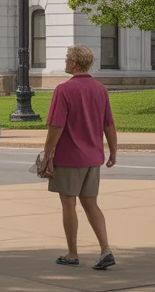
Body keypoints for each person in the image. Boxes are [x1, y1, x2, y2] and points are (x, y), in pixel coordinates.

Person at [39, 44, 118, 270]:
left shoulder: (63, 90)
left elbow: (56, 126)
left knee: (68, 204)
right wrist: (113, 151)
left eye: (66, 59)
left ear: (74, 63)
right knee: (91, 204)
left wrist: (47, 154)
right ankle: (105, 249)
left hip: (69, 158)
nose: (65, 62)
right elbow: (108, 124)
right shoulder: (100, 89)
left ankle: (73, 253)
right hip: (93, 157)